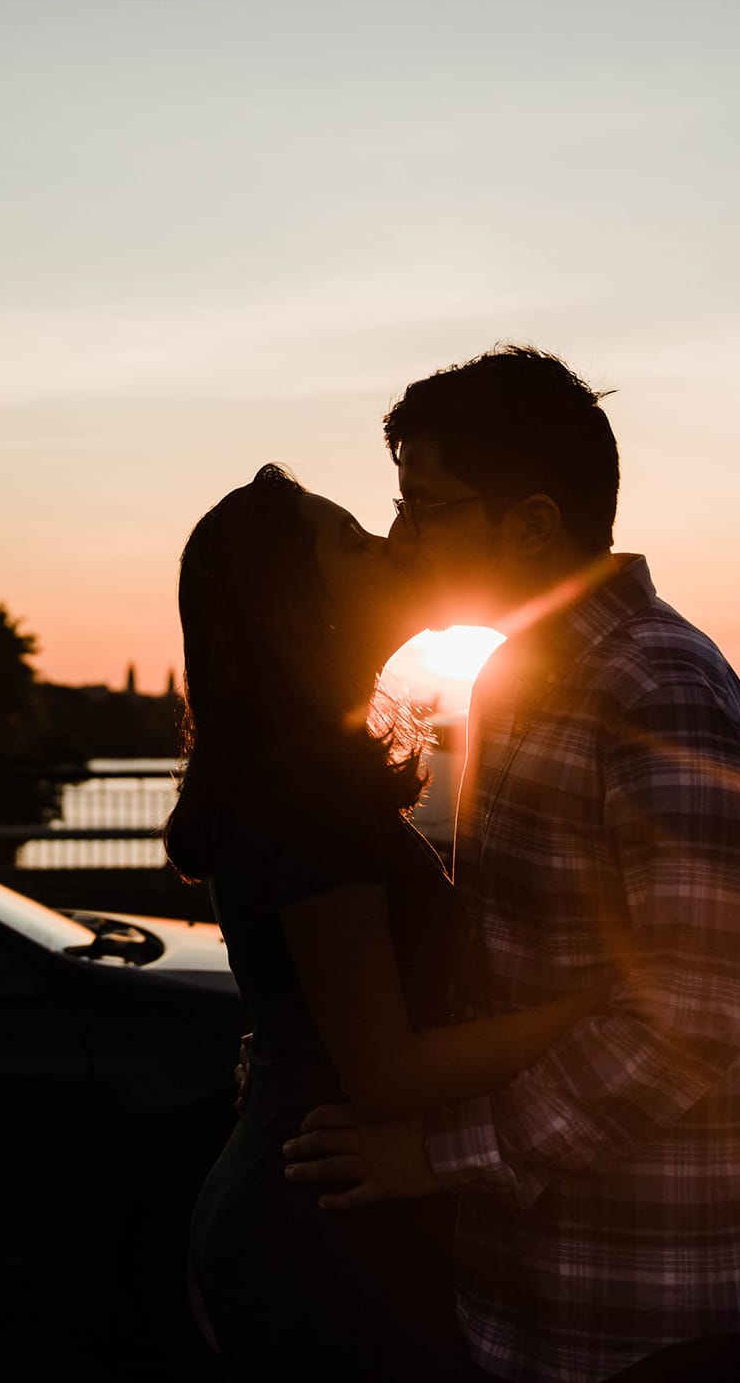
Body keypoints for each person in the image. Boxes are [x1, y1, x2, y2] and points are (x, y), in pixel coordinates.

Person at [282, 346, 740, 1382]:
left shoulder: (654, 685)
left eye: (426, 505)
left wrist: (437, 1153)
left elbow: (687, 1017)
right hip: (554, 1283)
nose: (400, 537)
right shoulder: (518, 675)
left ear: (532, 522)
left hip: (672, 1296)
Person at [170, 463, 609, 1381]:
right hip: (331, 1221)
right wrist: (593, 1004)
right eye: (353, 541)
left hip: (317, 1190)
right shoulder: (304, 790)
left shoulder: (301, 774)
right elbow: (387, 1068)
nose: (393, 543)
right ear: (300, 609)